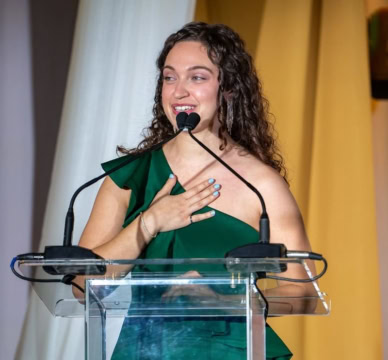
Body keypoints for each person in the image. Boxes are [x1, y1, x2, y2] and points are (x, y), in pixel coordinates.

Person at [78, 22, 315, 360]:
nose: (178, 92)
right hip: (145, 350)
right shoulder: (132, 176)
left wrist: (222, 301)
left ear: (229, 88)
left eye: (198, 77)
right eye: (170, 77)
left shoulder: (261, 186)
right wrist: (148, 224)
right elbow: (80, 288)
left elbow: (302, 294)